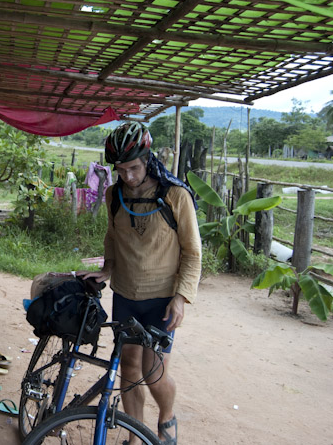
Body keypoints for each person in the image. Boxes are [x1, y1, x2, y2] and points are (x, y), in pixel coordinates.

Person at [80, 122, 201, 445]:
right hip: (125, 294)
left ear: (148, 159)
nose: (128, 176)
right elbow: (112, 235)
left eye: (133, 168)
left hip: (161, 299)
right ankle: (137, 436)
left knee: (153, 371)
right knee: (129, 366)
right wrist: (107, 269)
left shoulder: (175, 195)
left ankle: (166, 416)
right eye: (121, 169)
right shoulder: (114, 195)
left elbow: (192, 252)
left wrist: (181, 297)